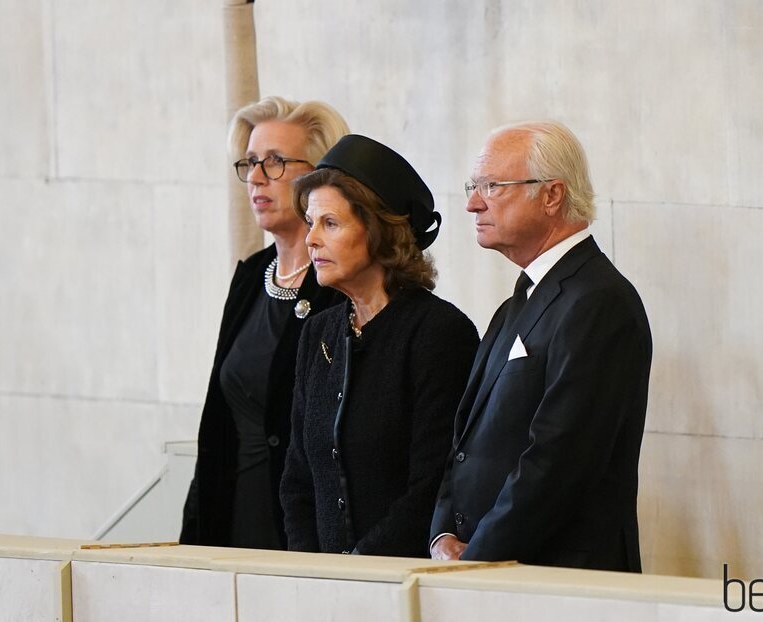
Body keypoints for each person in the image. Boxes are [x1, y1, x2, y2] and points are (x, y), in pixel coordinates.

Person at [429, 121, 653, 571]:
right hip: (490, 571)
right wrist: (443, 532)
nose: (473, 204)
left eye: (492, 186)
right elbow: (465, 441)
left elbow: (559, 461)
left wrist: (478, 555)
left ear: (551, 195)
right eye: (473, 187)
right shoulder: (524, 296)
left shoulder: (599, 302)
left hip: (559, 579)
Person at [280, 135, 480, 557]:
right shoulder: (317, 334)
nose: (311, 239)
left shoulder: (439, 333)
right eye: (310, 222)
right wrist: (309, 570)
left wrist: (358, 571)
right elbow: (298, 479)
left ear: (379, 232)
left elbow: (433, 485)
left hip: (401, 585)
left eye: (330, 223)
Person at [180, 96, 349, 549]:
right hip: (229, 517)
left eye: (275, 162)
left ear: (320, 175)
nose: (256, 177)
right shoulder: (251, 276)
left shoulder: (341, 286)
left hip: (303, 530)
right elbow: (216, 421)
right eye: (251, 162)